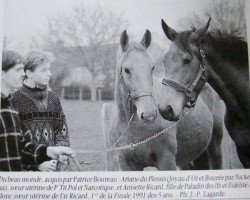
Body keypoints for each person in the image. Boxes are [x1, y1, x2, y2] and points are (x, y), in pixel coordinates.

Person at [0, 50, 74, 171]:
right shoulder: (12, 99)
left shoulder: (54, 98)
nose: (49, 74)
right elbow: (13, 146)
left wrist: (60, 154)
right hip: (27, 171)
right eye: (44, 70)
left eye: (49, 69)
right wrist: (37, 166)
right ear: (29, 73)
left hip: (53, 165)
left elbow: (62, 128)